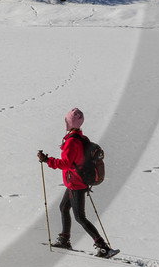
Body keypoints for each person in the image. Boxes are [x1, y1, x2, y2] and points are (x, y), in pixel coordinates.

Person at [38, 107, 111, 255]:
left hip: (76, 183)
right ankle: (65, 239)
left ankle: (102, 246)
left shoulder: (72, 141)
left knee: (80, 217)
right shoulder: (80, 138)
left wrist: (47, 160)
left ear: (70, 123)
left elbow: (66, 163)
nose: (65, 122)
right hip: (76, 181)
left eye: (66, 120)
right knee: (64, 208)